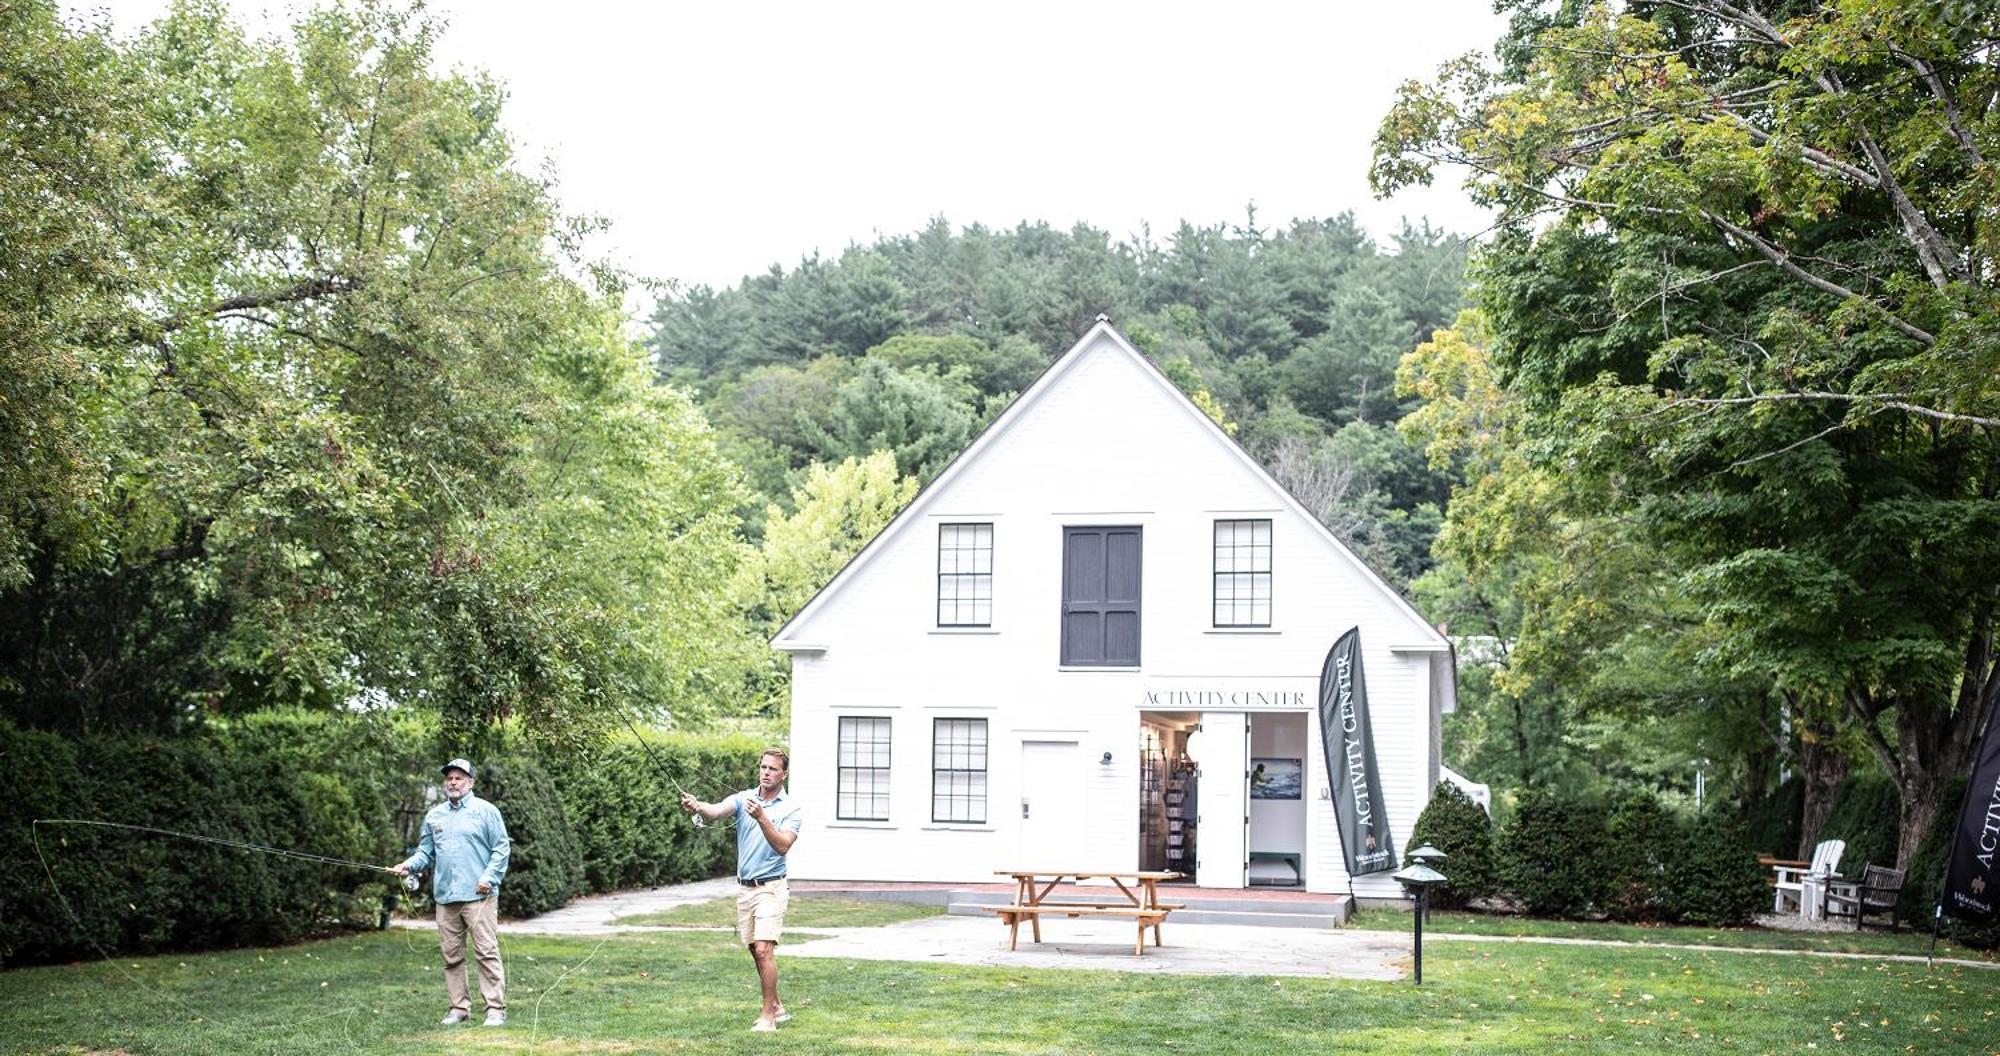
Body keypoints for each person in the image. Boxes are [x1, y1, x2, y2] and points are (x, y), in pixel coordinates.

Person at [681, 747, 803, 1032]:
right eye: (763, 767)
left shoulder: (791, 809)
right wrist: (698, 805)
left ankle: (767, 1018)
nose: (766, 773)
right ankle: (778, 1005)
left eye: (772, 769)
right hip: (745, 889)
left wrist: (762, 817)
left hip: (771, 887)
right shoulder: (744, 798)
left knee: (764, 949)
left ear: (784, 774)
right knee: (754, 949)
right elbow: (716, 810)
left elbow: (783, 845)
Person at [391, 758, 512, 1028]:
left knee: (486, 952)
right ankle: (459, 1008)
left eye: (459, 778)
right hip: (446, 897)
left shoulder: (487, 811)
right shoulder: (435, 816)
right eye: (450, 778)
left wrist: (489, 878)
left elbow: (501, 849)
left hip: (480, 896)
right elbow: (425, 852)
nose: (453, 782)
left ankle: (495, 1010)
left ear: (471, 782)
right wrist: (408, 865)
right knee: (452, 956)